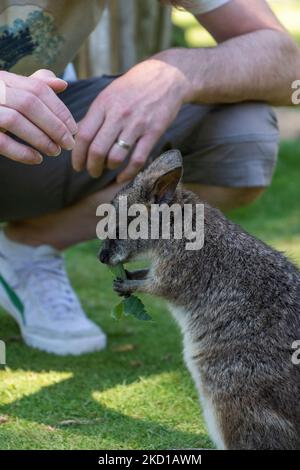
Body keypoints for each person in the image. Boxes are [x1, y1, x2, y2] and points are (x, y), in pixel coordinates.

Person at [0, 0, 298, 355]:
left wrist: (178, 73)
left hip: (23, 144)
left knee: (241, 135)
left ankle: (28, 248)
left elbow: (287, 63)